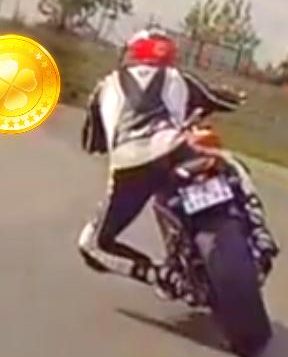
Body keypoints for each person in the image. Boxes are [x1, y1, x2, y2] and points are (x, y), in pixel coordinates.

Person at [77, 27, 278, 300]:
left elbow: (91, 143)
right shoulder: (178, 77)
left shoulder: (104, 86)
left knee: (91, 245)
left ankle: (161, 276)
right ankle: (260, 234)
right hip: (175, 150)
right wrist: (233, 98)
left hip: (130, 167)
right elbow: (221, 100)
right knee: (233, 166)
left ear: (131, 52)